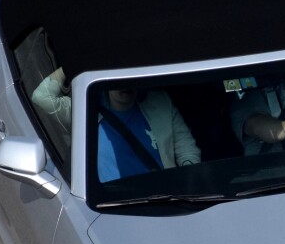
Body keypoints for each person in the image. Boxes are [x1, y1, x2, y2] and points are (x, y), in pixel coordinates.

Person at [31, 68, 200, 181]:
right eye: (118, 77)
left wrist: (184, 184)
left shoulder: (160, 104)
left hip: (163, 199)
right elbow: (41, 97)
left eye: (130, 77)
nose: (125, 84)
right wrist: (74, 64)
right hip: (112, 207)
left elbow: (188, 151)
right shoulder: (86, 111)